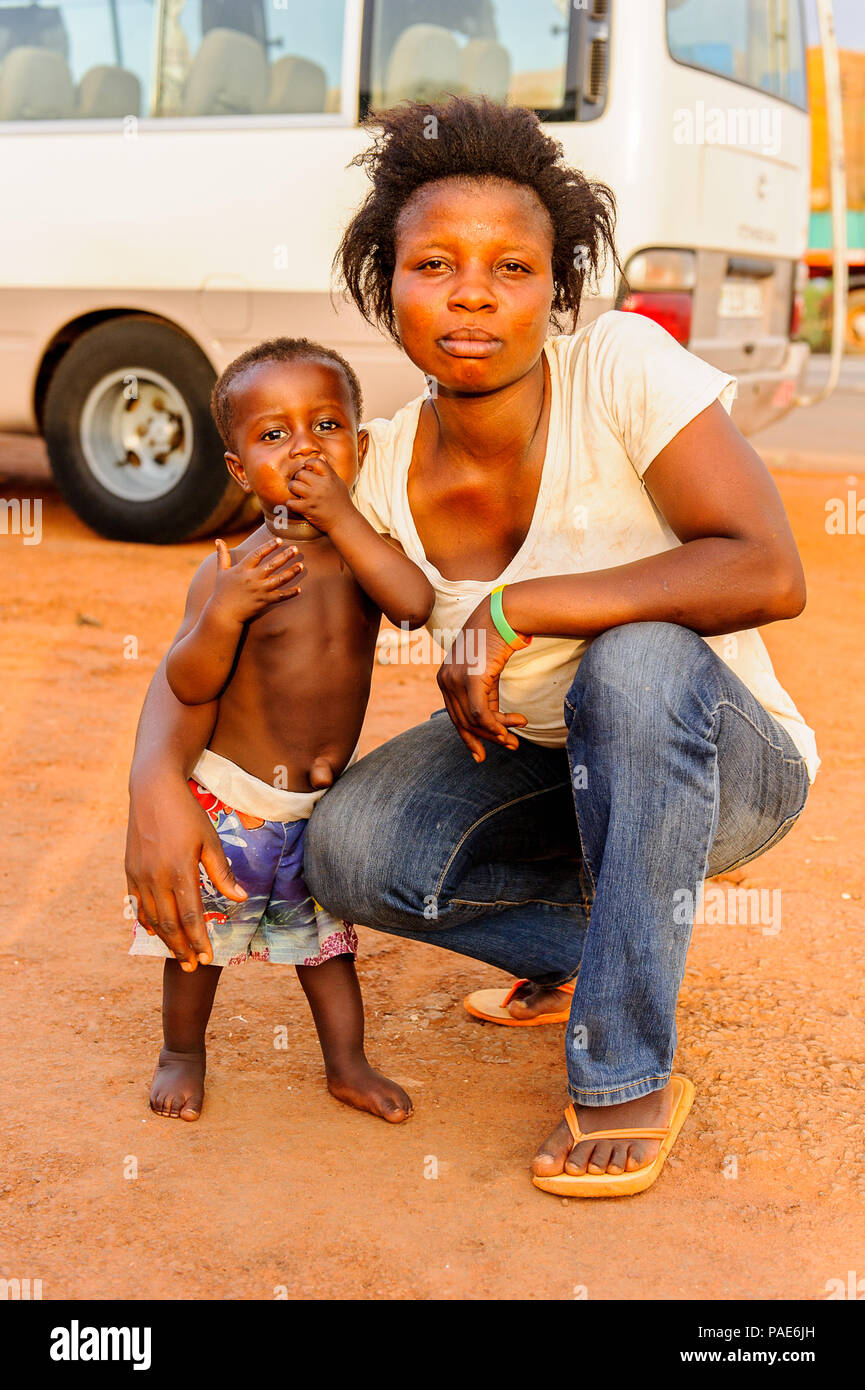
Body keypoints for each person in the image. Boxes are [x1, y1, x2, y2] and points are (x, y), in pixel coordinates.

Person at [125, 99, 817, 1195]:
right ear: (383, 283)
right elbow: (218, 609)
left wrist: (512, 608)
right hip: (548, 766)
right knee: (351, 849)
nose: (473, 295)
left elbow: (765, 569)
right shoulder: (372, 463)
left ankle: (625, 1072)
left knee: (632, 657)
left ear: (557, 286)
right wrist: (151, 785)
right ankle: (606, 955)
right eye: (433, 263)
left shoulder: (621, 369)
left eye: (514, 267)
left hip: (722, 759)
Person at [128, 336, 434, 1124]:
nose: (303, 448)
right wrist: (224, 612)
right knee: (199, 949)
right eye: (273, 435)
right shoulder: (232, 569)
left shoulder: (365, 557)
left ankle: (346, 1065)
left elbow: (412, 603)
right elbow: (188, 682)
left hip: (317, 814)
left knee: (328, 953)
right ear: (238, 469)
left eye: (325, 426)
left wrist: (344, 519)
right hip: (233, 805)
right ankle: (182, 1053)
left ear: (358, 448)